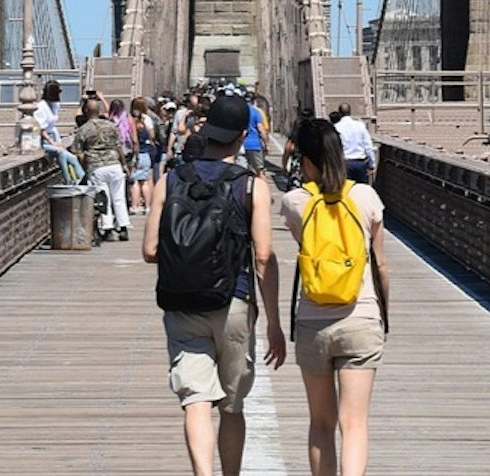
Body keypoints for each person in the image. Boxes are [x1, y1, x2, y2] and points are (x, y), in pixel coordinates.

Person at [144, 90, 287, 476]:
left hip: (181, 303)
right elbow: (262, 257)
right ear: (243, 136)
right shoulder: (253, 186)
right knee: (231, 406)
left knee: (195, 401)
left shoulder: (170, 179)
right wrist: (273, 322)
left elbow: (149, 250)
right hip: (234, 304)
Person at [281, 118, 389, 476]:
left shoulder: (295, 202)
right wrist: (382, 314)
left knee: (321, 424)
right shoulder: (366, 196)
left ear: (306, 160)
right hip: (361, 317)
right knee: (354, 424)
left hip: (313, 321)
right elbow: (380, 265)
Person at [73, 97, 132, 241]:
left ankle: (108, 228)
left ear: (86, 111)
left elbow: (79, 153)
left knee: (103, 198)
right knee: (118, 197)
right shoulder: (110, 126)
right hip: (114, 164)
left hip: (97, 166)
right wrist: (124, 164)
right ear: (99, 110)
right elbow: (119, 146)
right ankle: (123, 227)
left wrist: (85, 167)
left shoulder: (83, 130)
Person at [34, 79, 84, 184]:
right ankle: (68, 180)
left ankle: (83, 180)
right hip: (43, 141)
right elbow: (41, 130)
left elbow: (53, 126)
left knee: (73, 158)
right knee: (60, 153)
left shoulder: (55, 105)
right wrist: (53, 143)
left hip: (53, 136)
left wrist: (58, 141)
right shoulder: (41, 107)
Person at [334, 103, 376, 185]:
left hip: (344, 164)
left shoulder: (336, 127)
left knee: (346, 192)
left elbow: (335, 148)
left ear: (339, 113)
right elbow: (368, 146)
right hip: (360, 163)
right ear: (350, 112)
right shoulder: (360, 126)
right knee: (361, 191)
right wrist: (372, 164)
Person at [128, 96, 155, 213]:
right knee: (145, 182)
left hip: (133, 154)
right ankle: (148, 206)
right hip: (145, 153)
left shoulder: (129, 120)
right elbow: (152, 136)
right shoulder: (147, 120)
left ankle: (135, 206)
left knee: (134, 182)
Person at [241, 88, 268, 174]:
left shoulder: (240, 111)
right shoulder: (256, 112)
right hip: (254, 145)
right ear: (254, 101)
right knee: (259, 172)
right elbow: (261, 129)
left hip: (240, 145)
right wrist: (266, 144)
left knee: (241, 172)